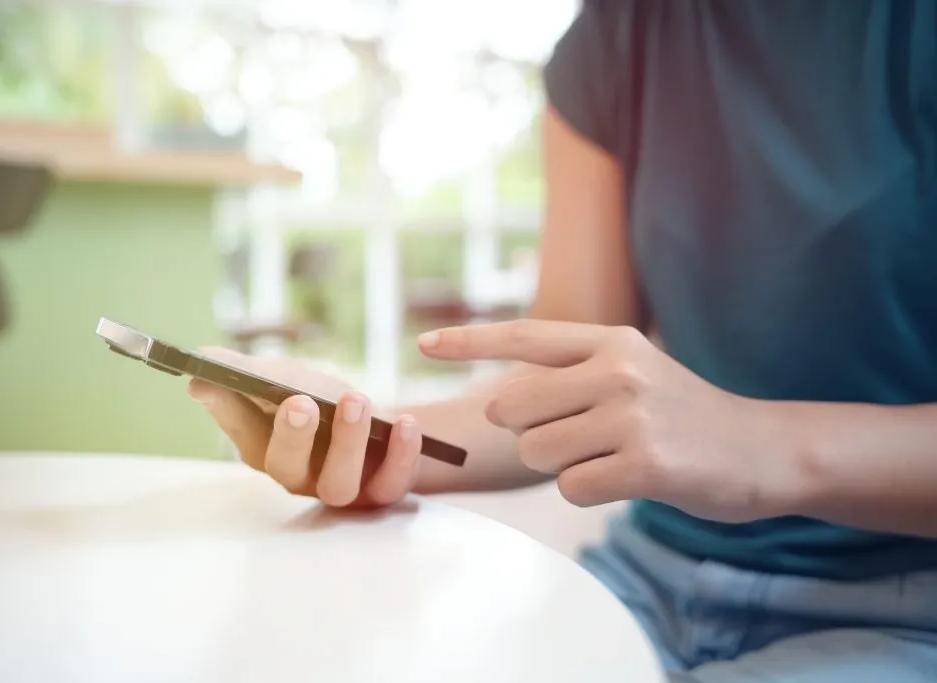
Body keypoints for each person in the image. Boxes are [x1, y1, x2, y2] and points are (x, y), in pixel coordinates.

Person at [188, 1, 937, 680]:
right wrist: (370, 429)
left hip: (903, 608)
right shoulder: (621, 30)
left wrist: (759, 445)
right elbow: (556, 395)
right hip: (645, 578)